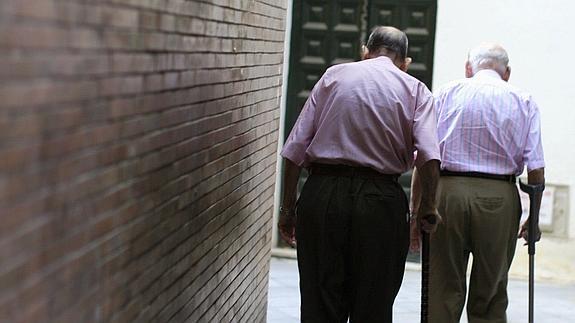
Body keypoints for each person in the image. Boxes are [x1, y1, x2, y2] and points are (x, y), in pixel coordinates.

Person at [278, 26, 441, 323]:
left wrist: (288, 209)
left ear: (365, 52)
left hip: (323, 194)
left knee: (319, 300)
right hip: (380, 202)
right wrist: (426, 208)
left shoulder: (333, 76)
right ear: (405, 62)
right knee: (374, 303)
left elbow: (294, 150)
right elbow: (430, 157)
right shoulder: (416, 89)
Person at [411, 43, 545, 323]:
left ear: (469, 68)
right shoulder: (524, 100)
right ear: (506, 72)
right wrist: (534, 218)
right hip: (499, 197)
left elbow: (425, 154)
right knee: (491, 289)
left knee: (441, 286)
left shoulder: (447, 92)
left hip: (448, 193)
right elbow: (536, 168)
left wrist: (418, 208)